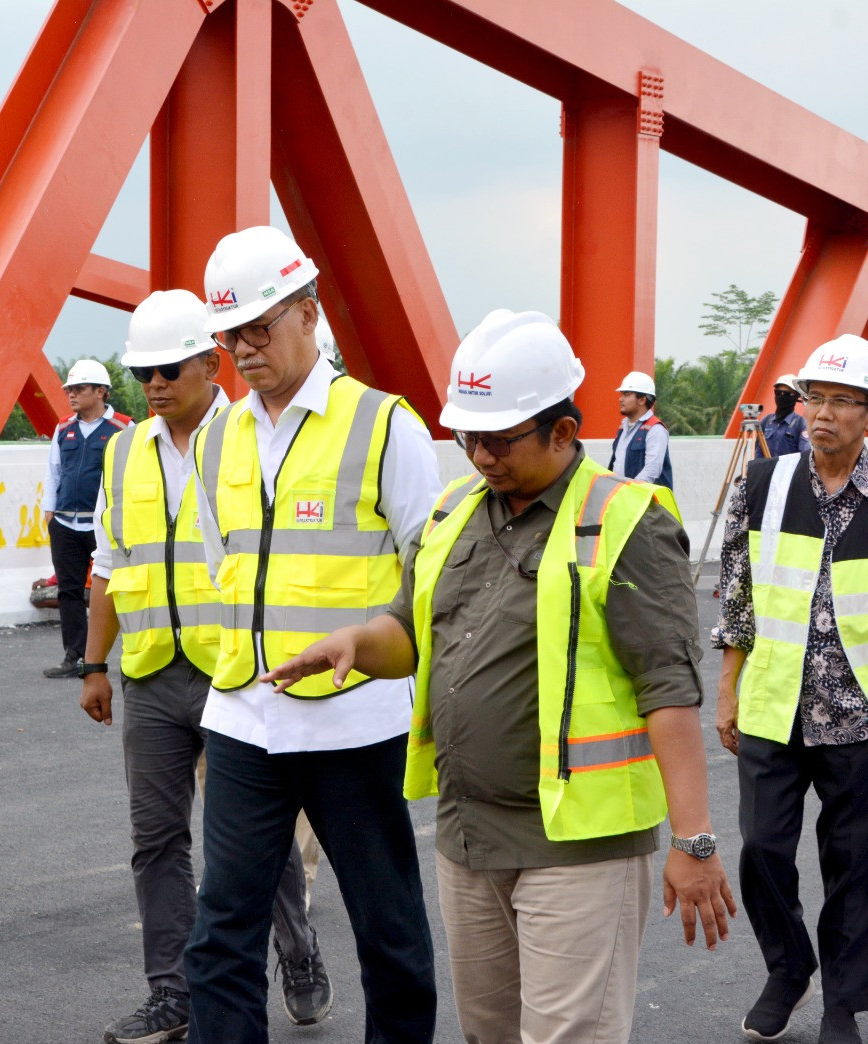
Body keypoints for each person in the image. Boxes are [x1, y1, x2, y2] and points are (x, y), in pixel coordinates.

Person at [264, 310, 736, 1044]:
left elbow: (669, 691)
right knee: (489, 1034)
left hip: (579, 847)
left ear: (563, 432)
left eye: (499, 439)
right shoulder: (453, 513)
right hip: (468, 835)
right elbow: (410, 632)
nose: (480, 455)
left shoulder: (625, 521)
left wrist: (695, 840)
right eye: (468, 437)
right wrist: (358, 644)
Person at [184, 225, 443, 1044]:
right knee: (221, 934)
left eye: (259, 327)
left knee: (390, 933)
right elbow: (224, 560)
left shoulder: (384, 426)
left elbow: (428, 580)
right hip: (243, 720)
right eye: (231, 336)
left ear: (309, 312)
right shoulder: (218, 436)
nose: (244, 350)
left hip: (353, 721)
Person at [78, 289, 330, 1043]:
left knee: (251, 837)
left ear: (207, 363)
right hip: (152, 672)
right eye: (142, 373)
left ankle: (298, 950)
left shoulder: (252, 437)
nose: (153, 385)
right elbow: (106, 562)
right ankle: (173, 993)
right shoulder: (121, 451)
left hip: (236, 671)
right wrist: (95, 662)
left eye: (169, 369)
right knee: (156, 839)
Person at [713, 334, 868, 1044]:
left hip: (864, 718)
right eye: (816, 396)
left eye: (844, 401)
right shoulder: (762, 483)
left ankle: (843, 1003)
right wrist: (728, 690)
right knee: (761, 848)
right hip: (773, 707)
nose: (824, 412)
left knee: (854, 869)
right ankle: (789, 969)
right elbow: (737, 597)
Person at [42, 358, 131, 678]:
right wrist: (49, 512)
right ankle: (74, 656)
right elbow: (53, 472)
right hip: (65, 522)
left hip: (105, 523)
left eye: (79, 389)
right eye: (69, 390)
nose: (72, 395)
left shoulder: (124, 427)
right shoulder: (63, 428)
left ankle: (121, 653)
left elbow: (131, 474)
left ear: (101, 392)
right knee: (69, 590)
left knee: (117, 588)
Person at [608, 370, 673, 488]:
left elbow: (652, 470)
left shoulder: (655, 429)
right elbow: (616, 466)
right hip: (625, 499)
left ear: (642, 399)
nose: (621, 399)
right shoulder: (623, 428)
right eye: (622, 394)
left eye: (626, 394)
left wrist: (630, 490)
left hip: (646, 503)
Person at [761, 374, 808, 456]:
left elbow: (805, 455)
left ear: (796, 396)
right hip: (767, 468)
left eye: (786, 394)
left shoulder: (801, 424)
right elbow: (758, 452)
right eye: (778, 393)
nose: (781, 396)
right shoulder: (766, 421)